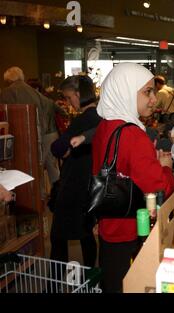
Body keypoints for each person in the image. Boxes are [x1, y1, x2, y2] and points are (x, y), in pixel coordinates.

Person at [92, 63, 174, 293]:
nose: (154, 99)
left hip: (109, 223)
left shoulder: (105, 126)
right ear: (126, 91)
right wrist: (166, 167)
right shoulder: (133, 134)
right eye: (146, 92)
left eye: (153, 92)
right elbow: (158, 187)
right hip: (132, 231)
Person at [49, 75, 101, 268]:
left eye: (69, 98)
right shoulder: (101, 118)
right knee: (86, 235)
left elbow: (58, 148)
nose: (70, 103)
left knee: (58, 237)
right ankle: (89, 278)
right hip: (91, 184)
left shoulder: (81, 121)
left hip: (73, 185)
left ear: (78, 95)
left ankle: (54, 283)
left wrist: (63, 148)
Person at [0, 66, 65, 191]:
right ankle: (58, 193)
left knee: (36, 166)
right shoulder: (32, 90)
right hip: (50, 133)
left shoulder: (8, 92)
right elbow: (55, 107)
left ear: (8, 79)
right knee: (51, 166)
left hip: (34, 134)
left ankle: (39, 197)